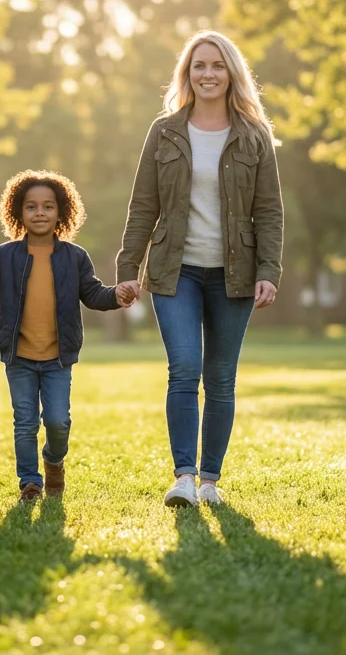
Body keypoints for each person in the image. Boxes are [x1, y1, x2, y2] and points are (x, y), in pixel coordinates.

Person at [115, 30, 285, 508]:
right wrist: (129, 266)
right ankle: (184, 477)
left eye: (216, 65)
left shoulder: (253, 135)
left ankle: (211, 480)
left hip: (235, 273)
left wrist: (269, 268)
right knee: (184, 368)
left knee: (222, 378)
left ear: (232, 72)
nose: (207, 74)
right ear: (186, 74)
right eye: (198, 66)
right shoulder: (165, 131)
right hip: (176, 270)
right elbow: (142, 205)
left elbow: (269, 210)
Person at [0, 170, 135, 501]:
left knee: (58, 422)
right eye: (31, 206)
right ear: (18, 212)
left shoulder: (75, 257)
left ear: (61, 212)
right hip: (20, 357)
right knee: (25, 422)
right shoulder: (5, 256)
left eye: (47, 206)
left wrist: (116, 295)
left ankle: (54, 461)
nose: (40, 213)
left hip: (59, 357)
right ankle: (30, 482)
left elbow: (93, 293)